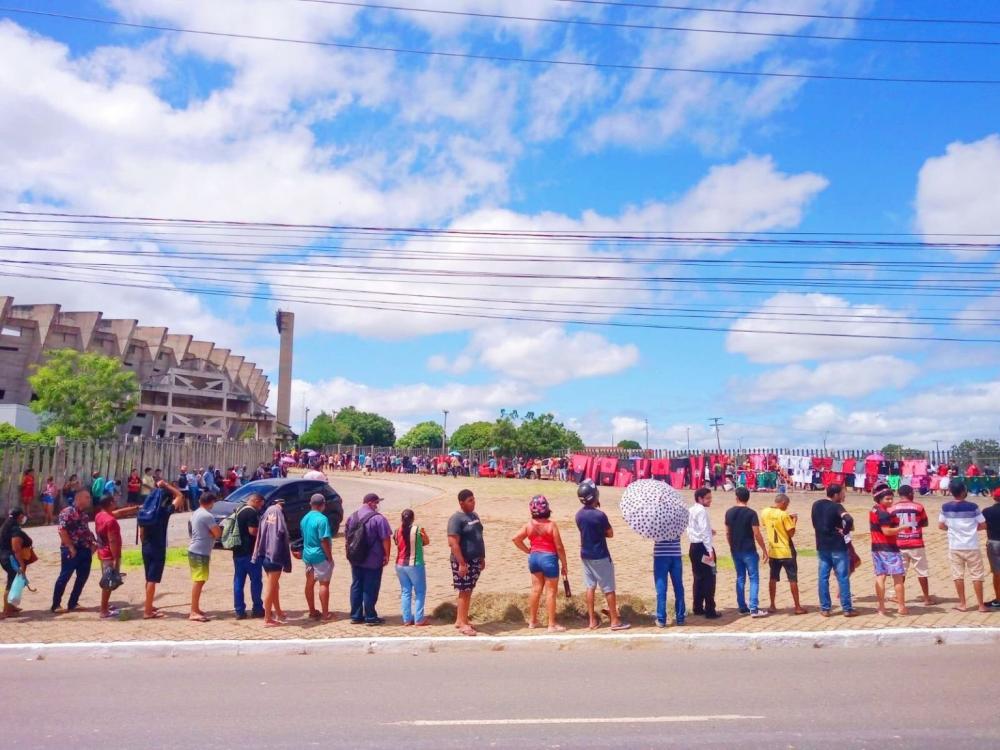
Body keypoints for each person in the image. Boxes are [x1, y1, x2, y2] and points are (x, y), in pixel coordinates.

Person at [575, 479, 628, 630]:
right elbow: (610, 533)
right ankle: (615, 621)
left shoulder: (579, 515)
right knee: (608, 588)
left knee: (590, 587)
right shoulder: (600, 515)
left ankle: (592, 620)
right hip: (601, 555)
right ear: (594, 496)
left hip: (586, 555)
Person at [512, 496, 568, 632]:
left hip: (534, 558)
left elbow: (516, 539)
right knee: (551, 592)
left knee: (536, 590)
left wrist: (528, 550)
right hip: (549, 559)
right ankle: (551, 624)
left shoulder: (529, 525)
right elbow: (559, 547)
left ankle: (532, 621)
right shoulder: (551, 525)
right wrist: (564, 564)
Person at [138, 480, 186, 619]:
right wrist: (166, 485)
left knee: (148, 577)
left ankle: (149, 603)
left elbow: (141, 534)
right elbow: (180, 496)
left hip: (146, 546)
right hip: (157, 547)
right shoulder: (164, 512)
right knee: (152, 579)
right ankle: (147, 611)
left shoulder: (144, 512)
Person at [939, 479, 989, 613]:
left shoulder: (945, 507)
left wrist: (952, 530)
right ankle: (981, 605)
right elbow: (983, 524)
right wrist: (971, 529)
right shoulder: (973, 506)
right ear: (963, 491)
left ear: (951, 492)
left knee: (958, 576)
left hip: (955, 546)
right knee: (977, 576)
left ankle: (962, 604)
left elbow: (941, 525)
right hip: (972, 545)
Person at [344, 493, 392, 625]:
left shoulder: (352, 517)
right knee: (370, 587)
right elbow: (385, 538)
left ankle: (356, 615)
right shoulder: (379, 519)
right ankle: (370, 616)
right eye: (376, 503)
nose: (377, 506)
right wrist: (387, 555)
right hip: (373, 559)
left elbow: (347, 537)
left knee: (356, 585)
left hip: (355, 558)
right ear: (370, 503)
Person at [812, 483, 857, 617]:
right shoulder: (837, 506)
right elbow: (848, 519)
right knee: (843, 577)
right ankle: (847, 608)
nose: (843, 496)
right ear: (836, 494)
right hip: (838, 546)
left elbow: (815, 523)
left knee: (823, 578)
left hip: (822, 545)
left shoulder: (816, 504)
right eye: (842, 493)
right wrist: (845, 531)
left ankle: (825, 608)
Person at [51, 489, 98, 614]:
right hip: (71, 550)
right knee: (65, 576)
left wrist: (93, 542)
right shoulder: (67, 512)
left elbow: (86, 530)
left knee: (82, 577)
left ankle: (73, 603)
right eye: (87, 497)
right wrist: (70, 547)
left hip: (84, 549)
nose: (89, 499)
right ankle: (56, 604)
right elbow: (62, 530)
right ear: (78, 498)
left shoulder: (84, 515)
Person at [725, 486, 769, 617]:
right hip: (749, 549)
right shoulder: (751, 513)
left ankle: (742, 606)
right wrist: (764, 549)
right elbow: (757, 533)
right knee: (754, 578)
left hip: (736, 549)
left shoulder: (729, 512)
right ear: (747, 498)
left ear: (737, 497)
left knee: (740, 577)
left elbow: (727, 533)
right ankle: (754, 608)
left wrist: (731, 546)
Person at [447, 489, 486, 636]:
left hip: (475, 559)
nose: (473, 502)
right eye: (470, 500)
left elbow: (478, 537)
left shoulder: (474, 516)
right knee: (464, 591)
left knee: (469, 590)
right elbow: (453, 543)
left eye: (474, 499)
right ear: (461, 503)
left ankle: (461, 620)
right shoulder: (456, 519)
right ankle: (463, 624)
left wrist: (482, 557)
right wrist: (462, 563)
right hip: (463, 561)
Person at [760, 493, 806, 614]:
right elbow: (791, 533)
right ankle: (797, 606)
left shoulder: (765, 512)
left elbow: (769, 523)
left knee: (773, 578)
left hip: (773, 550)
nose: (787, 507)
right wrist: (794, 521)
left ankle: (772, 605)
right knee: (792, 579)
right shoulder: (784, 514)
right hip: (786, 550)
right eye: (787, 504)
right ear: (783, 503)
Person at [94, 493, 137, 619]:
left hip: (103, 553)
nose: (116, 502)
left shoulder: (100, 515)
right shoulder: (111, 521)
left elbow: (119, 513)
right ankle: (104, 610)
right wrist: (116, 559)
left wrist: (136, 508)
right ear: (111, 503)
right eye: (114, 501)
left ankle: (105, 606)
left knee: (107, 580)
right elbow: (112, 541)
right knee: (109, 581)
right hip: (110, 555)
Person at [891, 485, 935, 606]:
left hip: (900, 543)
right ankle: (926, 598)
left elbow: (891, 525)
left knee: (901, 572)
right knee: (922, 571)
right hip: (916, 543)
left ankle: (898, 596)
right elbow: (925, 522)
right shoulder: (918, 507)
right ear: (910, 493)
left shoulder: (893, 508)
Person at [869, 481, 907, 616]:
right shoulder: (884, 513)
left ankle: (881, 607)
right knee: (898, 577)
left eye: (891, 498)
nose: (890, 501)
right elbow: (887, 532)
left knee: (880, 576)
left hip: (876, 547)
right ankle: (901, 606)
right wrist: (902, 528)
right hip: (889, 548)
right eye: (887, 499)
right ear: (880, 499)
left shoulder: (874, 509)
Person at [253, 498, 293, 627]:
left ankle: (278, 612)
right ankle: (267, 618)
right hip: (275, 556)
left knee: (275, 586)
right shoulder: (278, 514)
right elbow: (281, 533)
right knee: (271, 588)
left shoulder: (267, 512)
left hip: (265, 554)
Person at [301, 493, 335, 621]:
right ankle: (325, 614)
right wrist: (329, 557)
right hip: (320, 555)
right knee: (324, 584)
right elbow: (324, 540)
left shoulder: (304, 518)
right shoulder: (322, 519)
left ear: (311, 504)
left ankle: (312, 611)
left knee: (309, 583)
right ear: (323, 505)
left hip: (307, 555)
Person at [686, 486, 720, 619]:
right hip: (703, 548)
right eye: (707, 498)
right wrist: (710, 550)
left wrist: (709, 532)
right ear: (700, 499)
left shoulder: (691, 510)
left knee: (698, 578)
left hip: (694, 547)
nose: (710, 500)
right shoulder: (702, 511)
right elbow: (704, 532)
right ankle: (710, 609)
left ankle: (698, 607)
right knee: (710, 577)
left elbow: (694, 528)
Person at [188, 492, 221, 622]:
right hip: (200, 552)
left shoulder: (196, 512)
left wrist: (210, 533)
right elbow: (217, 533)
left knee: (200, 580)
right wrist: (212, 534)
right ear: (211, 502)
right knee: (199, 581)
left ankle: (195, 608)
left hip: (197, 550)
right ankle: (193, 611)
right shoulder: (207, 515)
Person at [232, 493, 265, 620]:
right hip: (250, 552)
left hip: (238, 551)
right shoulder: (251, 512)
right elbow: (252, 531)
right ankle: (257, 609)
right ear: (256, 501)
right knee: (256, 581)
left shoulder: (239, 510)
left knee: (238, 581)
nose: (260, 508)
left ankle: (239, 610)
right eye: (260, 505)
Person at [394, 508, 430, 626]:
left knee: (405, 592)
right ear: (413, 518)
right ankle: (419, 619)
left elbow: (397, 543)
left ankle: (406, 619)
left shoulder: (397, 531)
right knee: (420, 591)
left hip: (400, 564)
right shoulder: (418, 530)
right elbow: (426, 542)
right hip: (415, 564)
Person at [1, 509, 33, 618]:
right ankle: (6, 611)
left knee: (15, 581)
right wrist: (21, 563)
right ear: (20, 516)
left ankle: (11, 607)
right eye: (23, 516)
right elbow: (16, 548)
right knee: (11, 582)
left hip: (5, 557)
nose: (24, 518)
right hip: (11, 559)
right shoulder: (15, 529)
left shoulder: (7, 525)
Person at [983, 488, 1000, 608]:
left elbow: (982, 525)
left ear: (994, 497)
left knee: (997, 572)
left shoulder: (987, 511)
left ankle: (998, 599)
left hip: (993, 542)